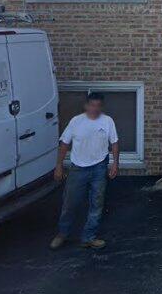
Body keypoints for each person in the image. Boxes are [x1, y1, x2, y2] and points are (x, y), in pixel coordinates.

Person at [49, 92, 119, 250]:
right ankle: (62, 234)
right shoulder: (76, 121)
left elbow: (114, 142)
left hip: (99, 167)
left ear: (102, 107)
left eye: (98, 106)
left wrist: (115, 163)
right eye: (92, 105)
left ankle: (89, 237)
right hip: (78, 168)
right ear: (86, 105)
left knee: (97, 203)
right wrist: (59, 165)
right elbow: (64, 143)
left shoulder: (107, 121)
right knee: (70, 203)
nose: (95, 108)